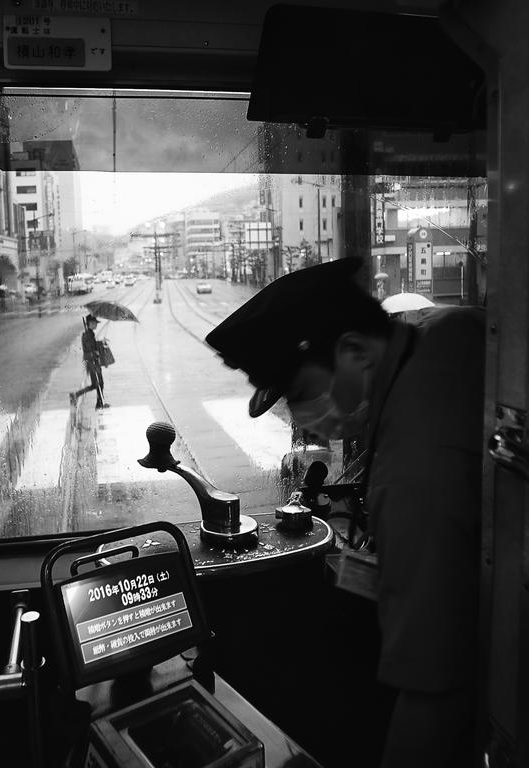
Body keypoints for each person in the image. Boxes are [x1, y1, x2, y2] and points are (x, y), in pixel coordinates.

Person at [204, 257, 484, 768]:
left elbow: (434, 690)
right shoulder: (447, 330)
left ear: (355, 349)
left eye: (299, 393)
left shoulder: (415, 468)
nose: (300, 414)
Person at [70, 314, 109, 410]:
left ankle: (97, 402)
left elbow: (92, 346)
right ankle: (99, 403)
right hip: (92, 362)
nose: (96, 325)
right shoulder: (87, 335)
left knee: (97, 384)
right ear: (90, 323)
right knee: (99, 383)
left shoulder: (90, 334)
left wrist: (100, 343)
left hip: (92, 362)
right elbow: (89, 349)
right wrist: (96, 351)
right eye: (95, 323)